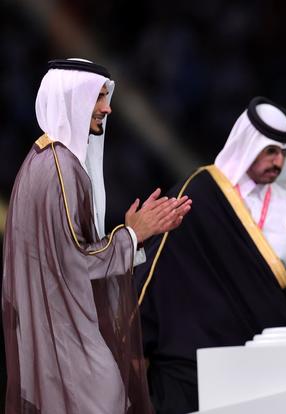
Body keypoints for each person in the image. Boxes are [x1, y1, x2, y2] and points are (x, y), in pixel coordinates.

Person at [2, 59, 191, 414]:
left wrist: (131, 236)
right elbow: (76, 261)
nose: (108, 107)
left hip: (54, 331)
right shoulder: (61, 169)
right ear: (73, 98)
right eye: (99, 96)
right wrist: (134, 235)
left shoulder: (43, 158)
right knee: (106, 393)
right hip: (64, 336)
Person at [134, 96, 286, 414]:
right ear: (247, 145)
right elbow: (160, 268)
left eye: (284, 154)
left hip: (263, 369)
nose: (278, 162)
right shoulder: (201, 192)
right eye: (270, 150)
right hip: (191, 363)